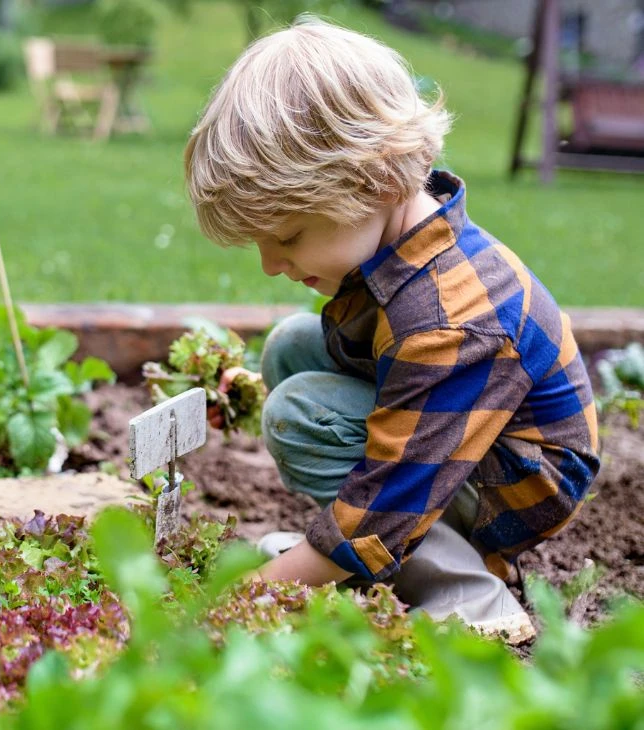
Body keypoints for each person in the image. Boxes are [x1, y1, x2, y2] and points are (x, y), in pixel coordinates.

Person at [183, 18, 600, 643]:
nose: (270, 264)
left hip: (510, 489)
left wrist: (253, 594)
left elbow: (395, 488)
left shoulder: (450, 320)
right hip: (468, 446)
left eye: (287, 237)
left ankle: (468, 590)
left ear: (375, 181)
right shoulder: (401, 239)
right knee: (292, 349)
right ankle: (369, 555)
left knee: (299, 416)